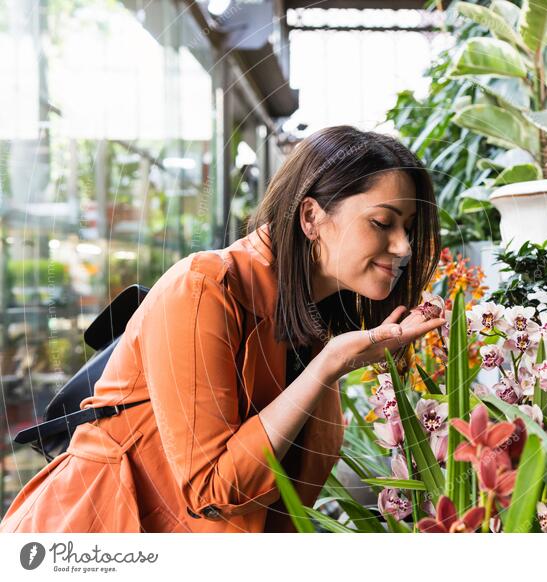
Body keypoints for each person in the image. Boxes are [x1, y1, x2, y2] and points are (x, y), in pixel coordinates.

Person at [0, 125, 445, 533]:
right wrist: (326, 367)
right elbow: (211, 491)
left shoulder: (312, 326)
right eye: (382, 223)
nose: (404, 245)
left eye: (408, 227)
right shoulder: (203, 288)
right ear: (310, 217)